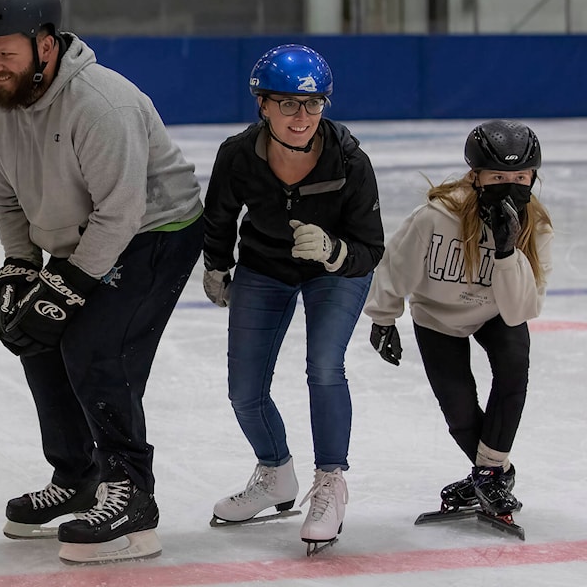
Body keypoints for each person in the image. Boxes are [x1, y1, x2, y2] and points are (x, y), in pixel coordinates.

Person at [0, 0, 203, 564]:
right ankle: (77, 477)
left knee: (97, 348)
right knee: (35, 337)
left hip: (156, 231)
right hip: (82, 236)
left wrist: (68, 288)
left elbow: (121, 213)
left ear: (45, 44)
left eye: (6, 53)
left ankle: (133, 495)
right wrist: (21, 269)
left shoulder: (101, 102)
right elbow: (7, 200)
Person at [202, 44, 384, 553]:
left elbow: (371, 248)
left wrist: (333, 251)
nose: (301, 117)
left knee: (324, 366)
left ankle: (329, 482)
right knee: (244, 390)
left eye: (313, 104)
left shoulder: (349, 160)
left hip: (335, 272)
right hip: (265, 267)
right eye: (288, 104)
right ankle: (277, 474)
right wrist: (217, 265)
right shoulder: (238, 155)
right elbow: (219, 216)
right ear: (262, 105)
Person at [364, 119, 552, 522]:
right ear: (477, 176)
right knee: (460, 411)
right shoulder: (436, 217)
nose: (511, 184)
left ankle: (486, 475)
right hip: (436, 316)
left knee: (514, 370)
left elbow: (521, 310)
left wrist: (506, 252)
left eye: (521, 176)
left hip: (497, 312)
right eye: (499, 176)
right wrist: (383, 318)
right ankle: (495, 475)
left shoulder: (536, 226)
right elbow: (396, 265)